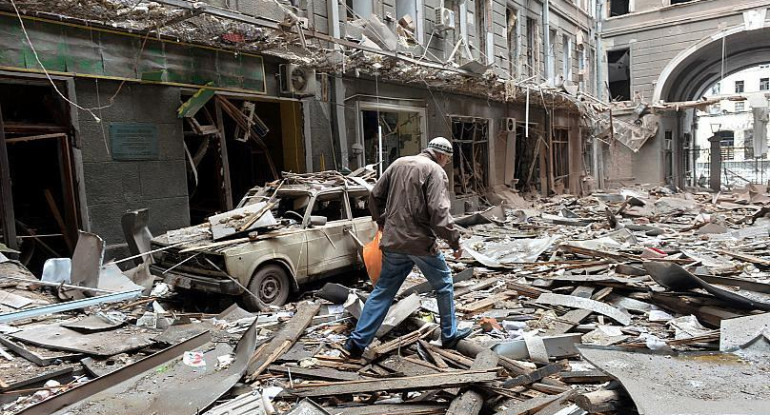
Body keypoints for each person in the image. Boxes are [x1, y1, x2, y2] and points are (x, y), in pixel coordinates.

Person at [344, 137, 471, 358]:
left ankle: (356, 343)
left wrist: (381, 220)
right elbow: (439, 211)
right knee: (444, 284)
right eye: (447, 160)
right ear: (442, 156)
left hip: (393, 241)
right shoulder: (435, 170)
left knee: (383, 291)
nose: (445, 164)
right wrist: (455, 241)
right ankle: (449, 335)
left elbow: (374, 195)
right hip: (420, 242)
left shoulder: (398, 163)